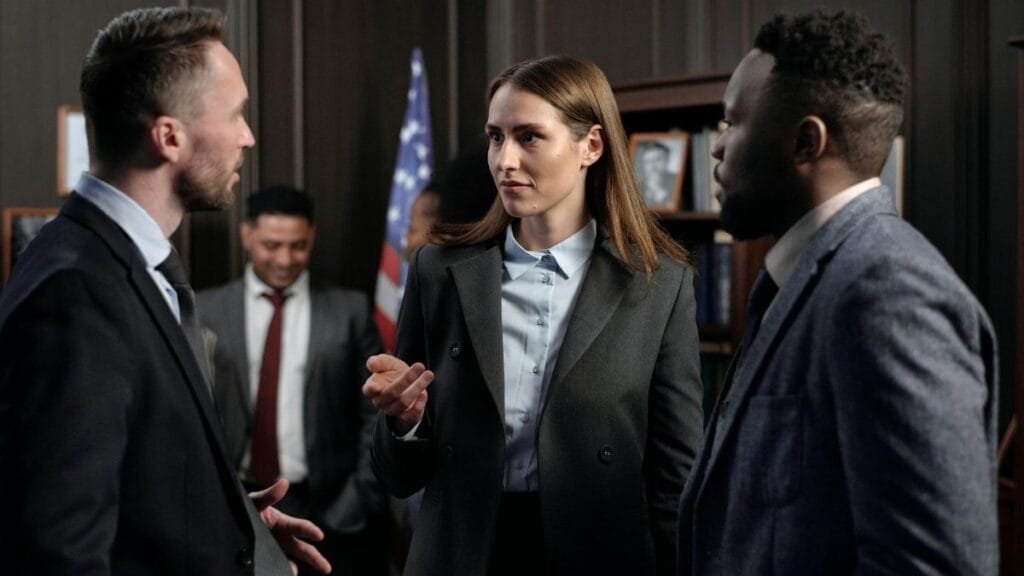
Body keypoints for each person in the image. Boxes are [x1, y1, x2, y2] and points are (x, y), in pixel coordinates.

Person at [0, 7, 330, 575]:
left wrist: (226, 522)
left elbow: (125, 484)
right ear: (169, 136)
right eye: (235, 115)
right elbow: (60, 552)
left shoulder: (126, 265)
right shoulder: (75, 294)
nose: (248, 137)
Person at [677, 10, 998, 576]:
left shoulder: (888, 292)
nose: (718, 148)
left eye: (733, 123)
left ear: (805, 142)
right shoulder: (800, 277)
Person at [362, 55, 703, 575]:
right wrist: (405, 422)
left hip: (598, 556)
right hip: (462, 556)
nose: (505, 160)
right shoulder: (439, 272)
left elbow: (676, 475)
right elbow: (399, 476)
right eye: (496, 137)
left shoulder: (658, 284)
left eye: (529, 137)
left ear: (591, 145)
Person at [197, 185, 388, 576]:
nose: (284, 259)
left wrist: (353, 502)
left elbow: (375, 414)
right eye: (271, 245)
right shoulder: (205, 310)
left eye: (298, 246)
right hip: (237, 504)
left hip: (329, 510)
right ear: (246, 235)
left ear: (312, 238)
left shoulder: (348, 311)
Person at [636, 141, 677, 207]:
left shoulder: (677, 181)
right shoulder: (638, 185)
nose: (652, 165)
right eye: (648, 161)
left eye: (657, 160)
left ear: (667, 160)